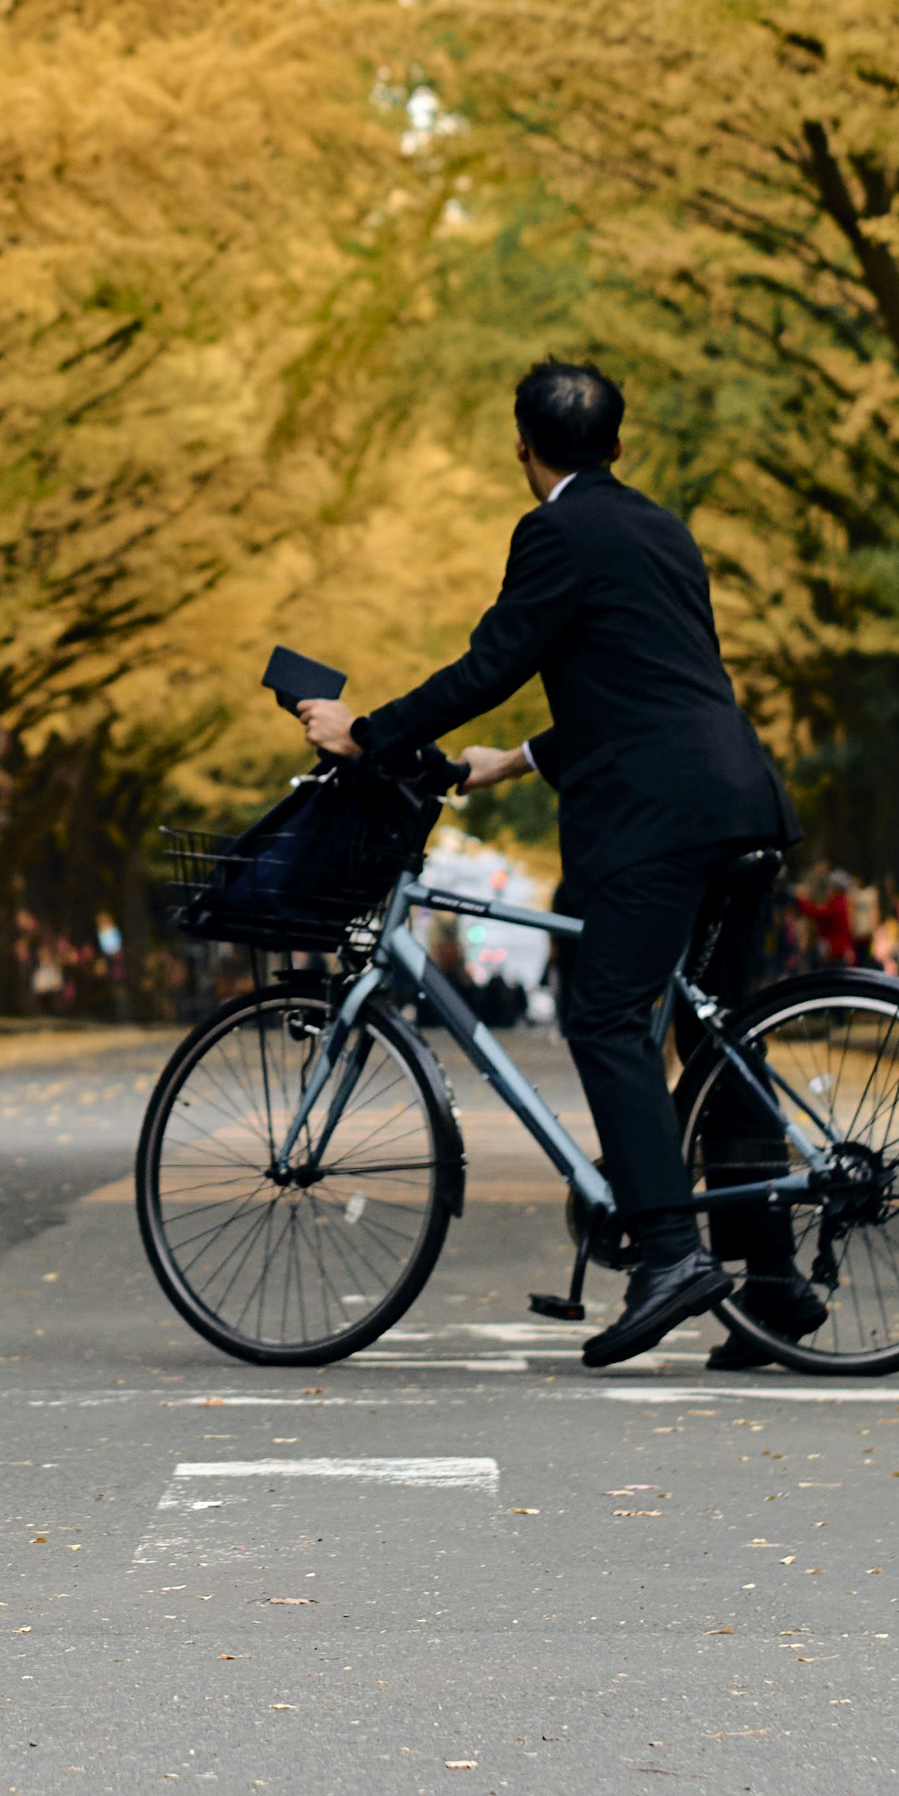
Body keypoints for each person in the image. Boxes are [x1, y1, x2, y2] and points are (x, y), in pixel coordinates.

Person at [309, 355, 798, 1374]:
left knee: (608, 1016)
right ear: (618, 444)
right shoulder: (664, 529)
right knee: (722, 1036)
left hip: (654, 820)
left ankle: (668, 1259)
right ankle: (776, 1283)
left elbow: (495, 662)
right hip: (739, 797)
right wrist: (521, 761)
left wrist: (368, 733)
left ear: (520, 447)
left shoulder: (554, 530)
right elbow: (655, 683)